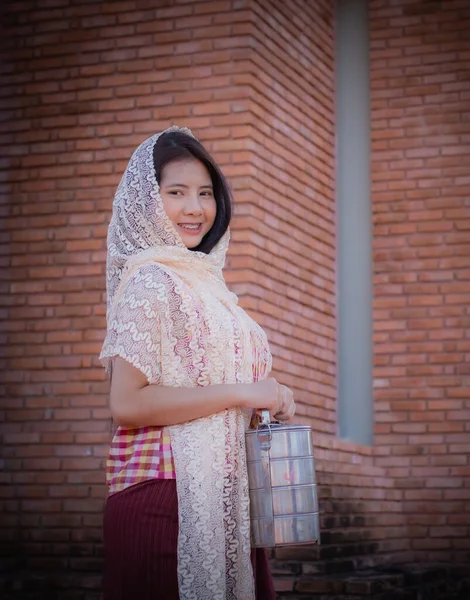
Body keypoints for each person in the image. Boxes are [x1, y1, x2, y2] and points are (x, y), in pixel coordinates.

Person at [99, 126, 296, 600]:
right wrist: (242, 392)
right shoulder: (150, 281)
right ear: (148, 201)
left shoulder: (212, 288)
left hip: (225, 501)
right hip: (165, 498)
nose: (195, 208)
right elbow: (126, 403)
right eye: (177, 192)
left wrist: (273, 393)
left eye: (205, 193)